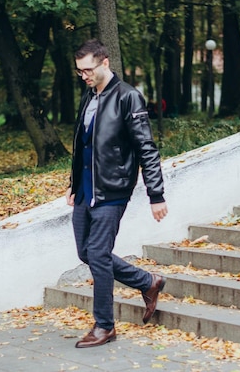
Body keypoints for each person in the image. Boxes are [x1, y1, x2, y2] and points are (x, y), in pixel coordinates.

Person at [65, 39, 169, 349]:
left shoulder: (128, 97)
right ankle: (147, 282)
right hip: (86, 189)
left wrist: (156, 194)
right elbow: (84, 143)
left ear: (105, 63)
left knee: (97, 253)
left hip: (112, 190)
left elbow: (146, 148)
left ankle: (104, 326)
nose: (83, 75)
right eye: (79, 71)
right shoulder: (88, 96)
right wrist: (73, 184)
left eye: (87, 70)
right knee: (86, 252)